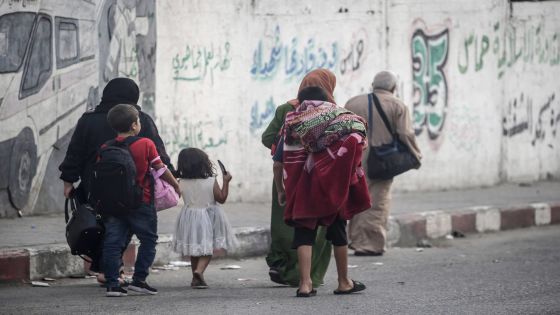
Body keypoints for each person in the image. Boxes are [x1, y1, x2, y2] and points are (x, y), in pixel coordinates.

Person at [59, 77, 173, 282]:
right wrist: (172, 177)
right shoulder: (140, 119)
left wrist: (69, 181)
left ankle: (107, 270)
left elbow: (75, 152)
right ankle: (111, 271)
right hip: (131, 188)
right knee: (123, 228)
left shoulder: (88, 119)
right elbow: (158, 153)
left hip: (94, 186)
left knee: (102, 225)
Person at [273, 86, 370, 297]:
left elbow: (278, 163)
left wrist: (282, 190)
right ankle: (344, 281)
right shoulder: (343, 119)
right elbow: (357, 145)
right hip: (332, 186)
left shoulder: (291, 124)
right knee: (338, 233)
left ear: (301, 102)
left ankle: (305, 284)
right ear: (327, 99)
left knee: (304, 234)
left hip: (302, 188)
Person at [261, 69, 336, 287]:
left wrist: (286, 147)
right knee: (318, 229)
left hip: (286, 175)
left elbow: (267, 138)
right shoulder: (334, 112)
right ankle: (311, 276)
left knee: (286, 226)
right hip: (319, 178)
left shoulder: (286, 109)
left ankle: (285, 269)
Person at [102, 104, 180, 297]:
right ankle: (139, 281)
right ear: (134, 125)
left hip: (114, 204)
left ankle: (113, 284)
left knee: (113, 243)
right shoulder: (146, 144)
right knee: (148, 240)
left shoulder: (105, 148)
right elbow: (160, 168)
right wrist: (176, 186)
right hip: (141, 201)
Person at [345, 71, 422, 256]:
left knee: (356, 198)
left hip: (353, 159)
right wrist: (415, 155)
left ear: (373, 84)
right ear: (394, 88)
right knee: (376, 201)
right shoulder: (397, 105)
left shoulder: (353, 103)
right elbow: (405, 134)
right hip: (381, 161)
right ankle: (370, 244)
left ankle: (356, 240)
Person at [172, 148, 237, 289]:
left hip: (188, 217)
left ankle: (195, 279)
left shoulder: (180, 181)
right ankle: (199, 271)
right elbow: (221, 198)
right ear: (203, 163)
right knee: (208, 248)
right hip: (208, 216)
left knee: (194, 248)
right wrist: (226, 181)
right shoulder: (210, 181)